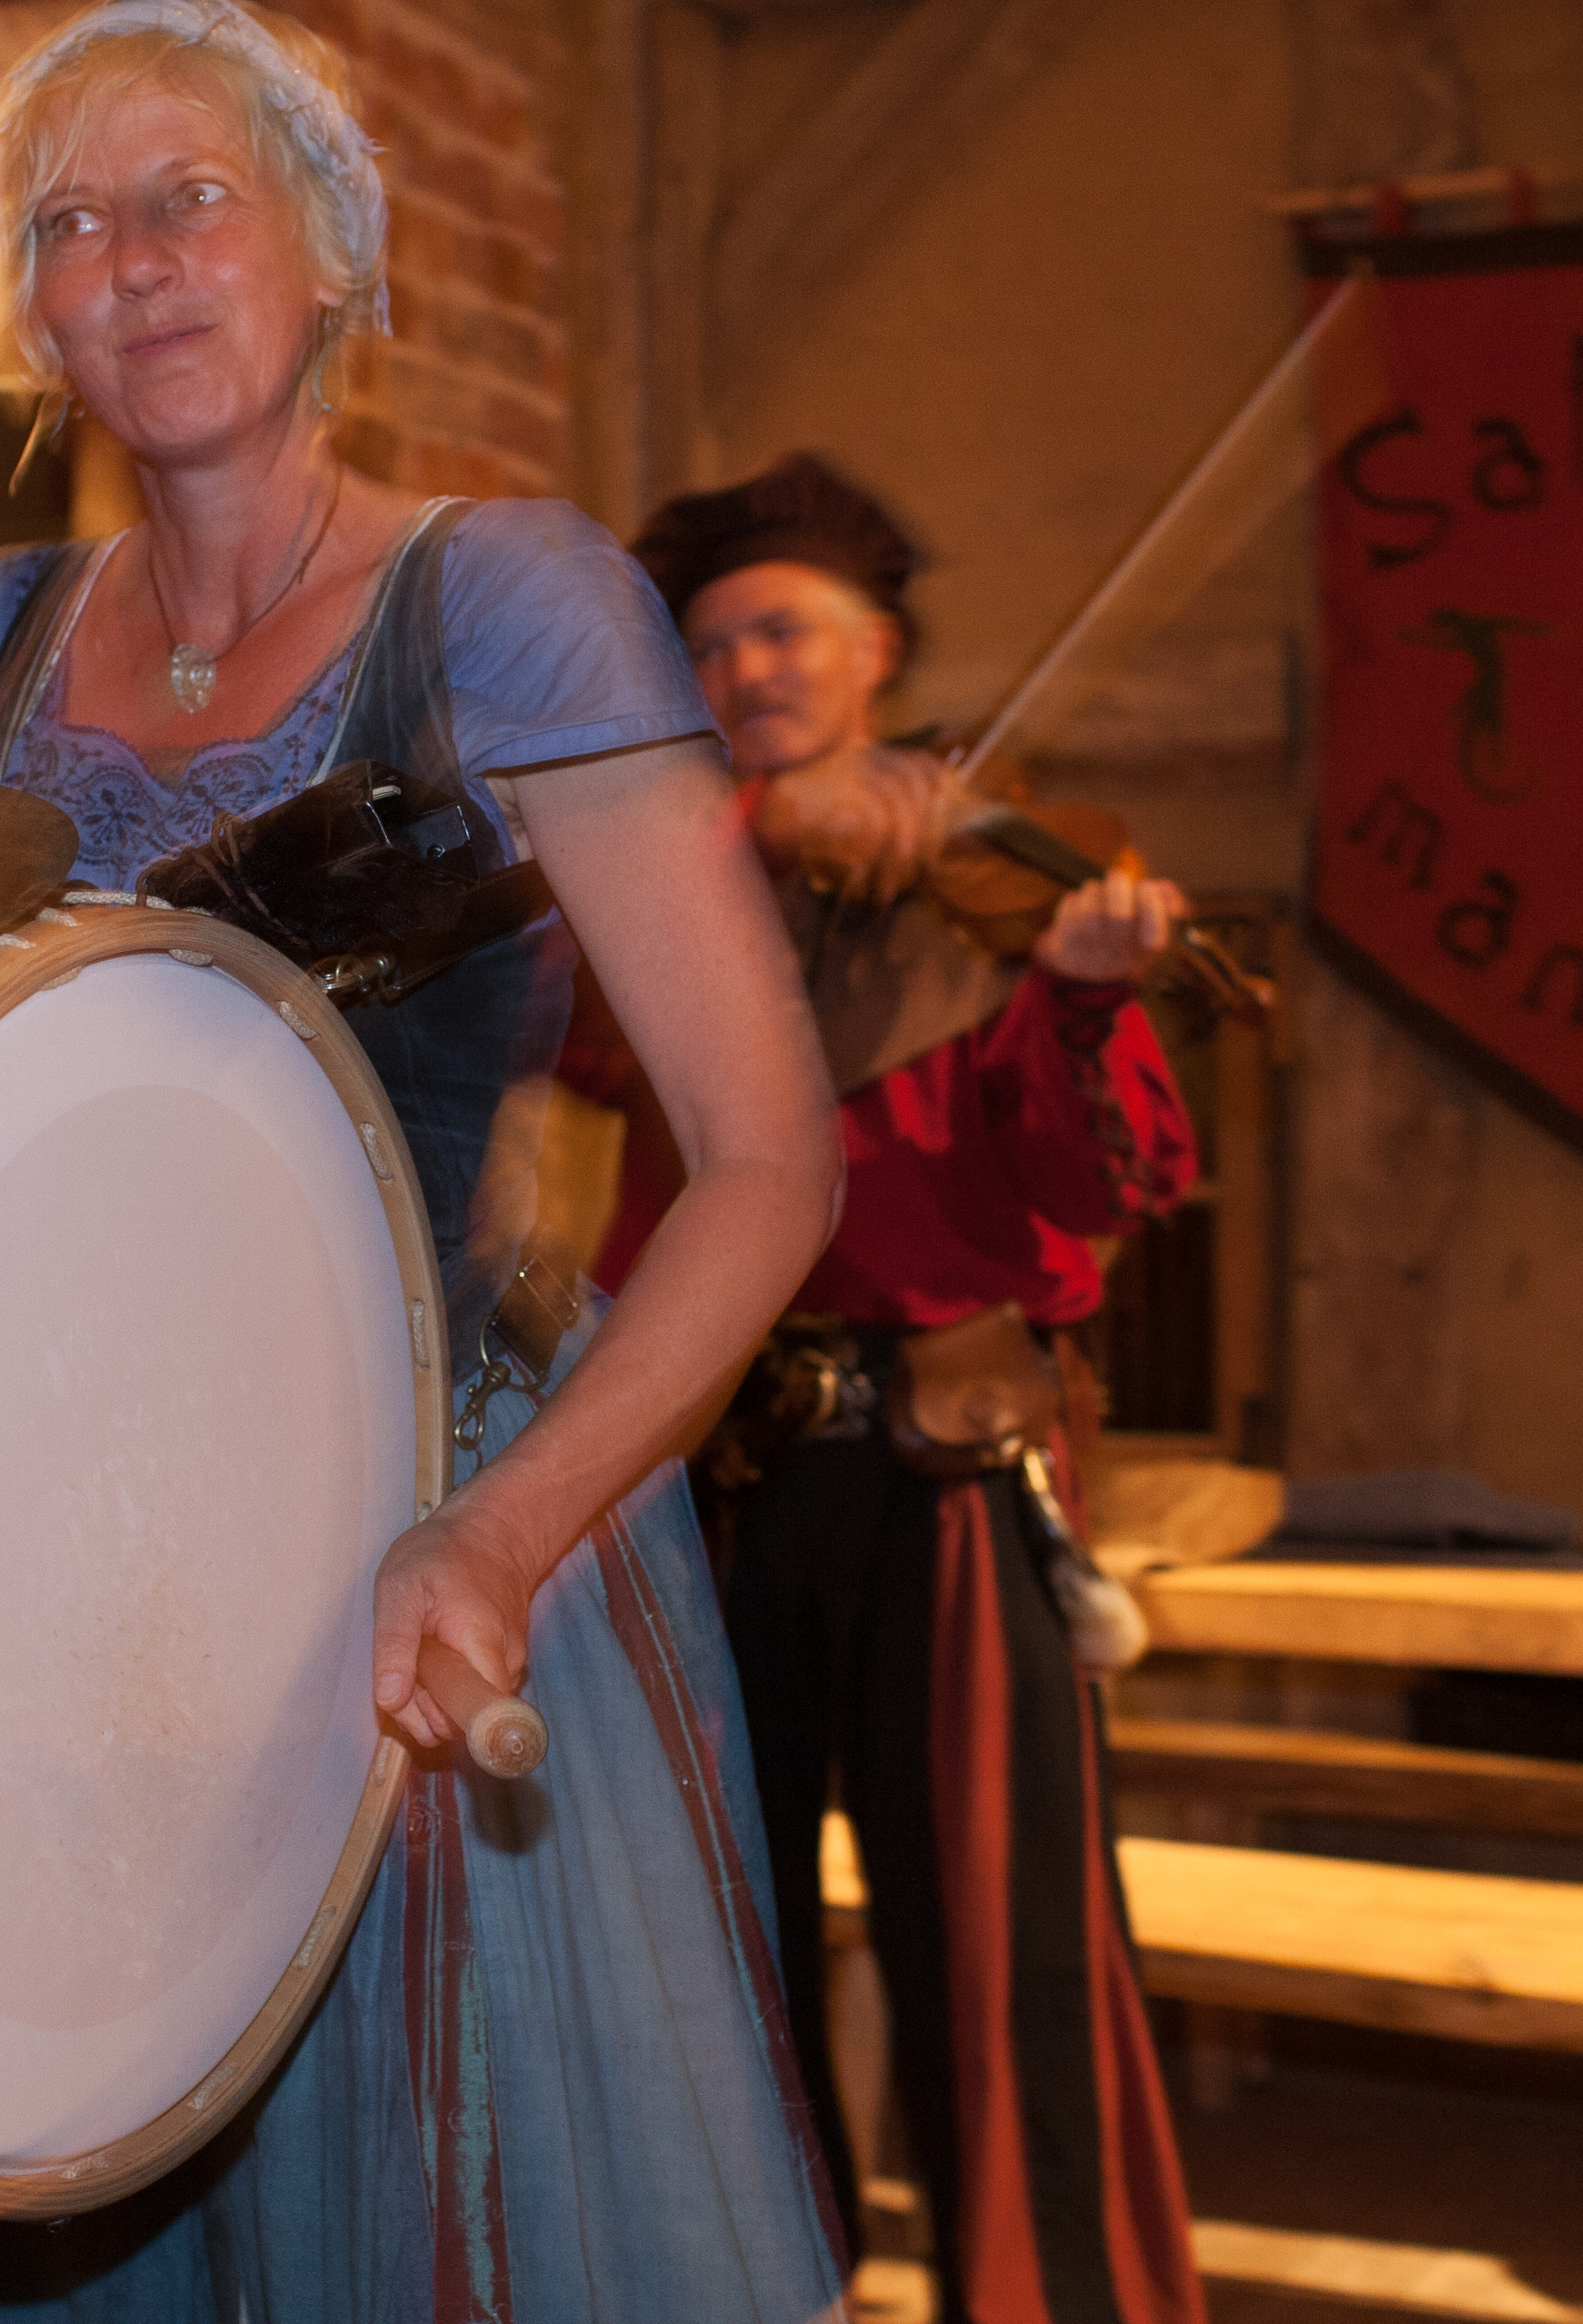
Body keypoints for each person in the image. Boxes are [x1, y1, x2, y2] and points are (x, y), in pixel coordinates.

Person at [0, 0, 849, 2320]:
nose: (135, 262)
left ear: (332, 248)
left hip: (411, 1539)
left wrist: (497, 1534)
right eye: (68, 226)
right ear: (29, 316)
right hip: (20, 1590)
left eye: (191, 196)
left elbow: (770, 1161)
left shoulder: (507, 603)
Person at [574, 456, 1205, 2324]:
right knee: (724, 1935)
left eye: (785, 633)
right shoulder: (672, 881)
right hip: (714, 1476)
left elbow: (1103, 1185)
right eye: (711, 650)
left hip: (941, 1467)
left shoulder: (995, 887)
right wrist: (745, 832)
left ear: (881, 656)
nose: (746, 670)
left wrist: (1082, 998)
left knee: (1006, 1945)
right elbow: (570, 1033)